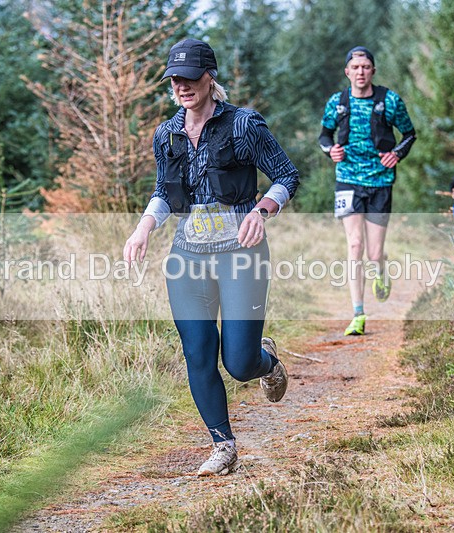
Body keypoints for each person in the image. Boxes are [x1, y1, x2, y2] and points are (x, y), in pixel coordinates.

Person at [123, 39, 300, 476]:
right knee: (198, 353)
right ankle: (223, 445)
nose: (182, 86)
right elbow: (164, 192)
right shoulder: (166, 135)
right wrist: (144, 227)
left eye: (189, 78)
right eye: (174, 80)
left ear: (209, 77)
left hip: (241, 254)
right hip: (187, 257)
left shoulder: (243, 125)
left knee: (238, 364)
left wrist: (262, 211)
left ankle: (265, 360)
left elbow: (286, 175)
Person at [318, 46, 416, 336]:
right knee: (355, 246)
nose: (360, 72)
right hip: (347, 180)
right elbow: (324, 135)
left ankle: (381, 270)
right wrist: (330, 150)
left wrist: (396, 154)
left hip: (380, 182)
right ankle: (358, 313)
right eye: (355, 67)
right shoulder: (337, 102)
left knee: (374, 254)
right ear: (347, 72)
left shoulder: (390, 100)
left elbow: (409, 134)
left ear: (373, 71)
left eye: (365, 67)